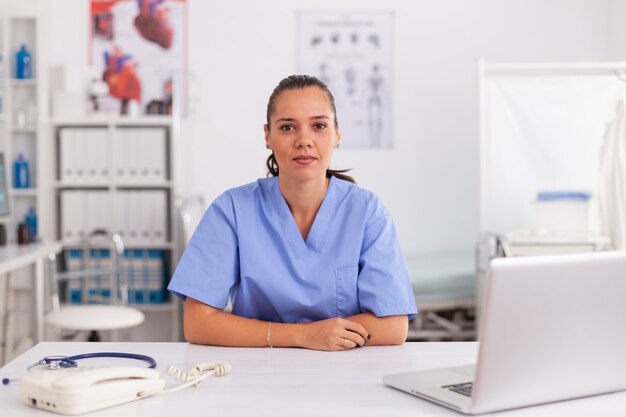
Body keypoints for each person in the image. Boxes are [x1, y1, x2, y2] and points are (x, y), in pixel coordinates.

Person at [168, 75, 417, 351]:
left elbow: (394, 326)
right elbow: (198, 324)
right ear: (267, 135)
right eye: (288, 127)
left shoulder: (367, 212)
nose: (304, 140)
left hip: (346, 375)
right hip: (256, 373)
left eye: (319, 126)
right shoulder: (232, 210)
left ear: (337, 134)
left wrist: (300, 334)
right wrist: (304, 335)